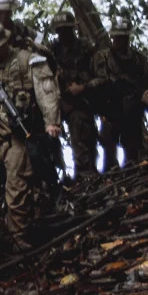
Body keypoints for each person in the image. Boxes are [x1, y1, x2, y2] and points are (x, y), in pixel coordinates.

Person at [0, 22, 62, 244]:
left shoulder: (28, 60)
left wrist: (52, 123)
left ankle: (18, 237)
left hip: (24, 134)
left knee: (18, 183)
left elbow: (47, 92)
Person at [97, 21, 148, 168]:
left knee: (132, 153)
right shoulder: (104, 58)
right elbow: (100, 82)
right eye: (116, 37)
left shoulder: (138, 59)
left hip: (132, 110)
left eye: (122, 37)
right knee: (109, 152)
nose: (118, 41)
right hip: (111, 110)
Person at [48, 11, 98, 179]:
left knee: (82, 136)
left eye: (67, 30)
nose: (64, 34)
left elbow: (99, 76)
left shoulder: (86, 48)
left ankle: (86, 176)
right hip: (58, 101)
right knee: (49, 135)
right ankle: (56, 175)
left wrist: (83, 87)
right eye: (60, 30)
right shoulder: (52, 50)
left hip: (80, 102)